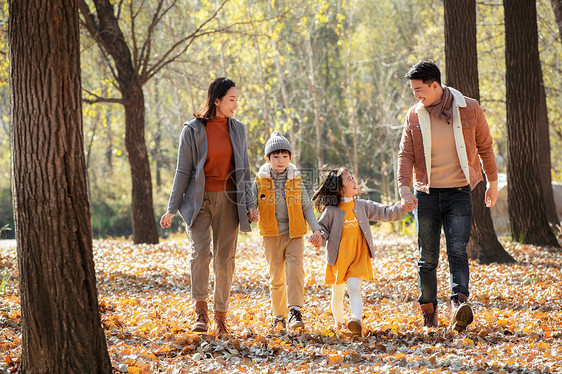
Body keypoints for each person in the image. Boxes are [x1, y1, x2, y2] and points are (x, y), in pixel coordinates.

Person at [397, 61, 498, 332]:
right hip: (426, 195)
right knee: (427, 257)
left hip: (459, 192)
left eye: (419, 89)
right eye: (413, 90)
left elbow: (485, 146)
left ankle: (459, 303)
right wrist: (404, 189)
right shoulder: (415, 115)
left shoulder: (469, 108)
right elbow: (405, 154)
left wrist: (493, 182)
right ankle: (429, 312)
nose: (416, 95)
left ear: (434, 85)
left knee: (457, 249)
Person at [160, 77, 258, 336]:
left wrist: (249, 204)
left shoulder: (238, 129)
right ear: (217, 100)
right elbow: (182, 170)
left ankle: (221, 317)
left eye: (237, 99)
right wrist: (172, 208)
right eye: (232, 99)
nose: (236, 104)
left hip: (229, 201)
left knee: (225, 261)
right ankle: (200, 313)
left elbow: (244, 170)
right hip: (198, 201)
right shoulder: (192, 130)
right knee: (201, 255)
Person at [311, 167, 409, 336]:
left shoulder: (362, 206)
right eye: (349, 179)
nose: (354, 181)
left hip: (358, 255)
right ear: (340, 189)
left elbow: (384, 212)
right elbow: (322, 229)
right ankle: (339, 322)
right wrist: (318, 236)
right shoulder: (331, 211)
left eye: (352, 177)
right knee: (338, 293)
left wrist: (402, 207)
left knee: (354, 288)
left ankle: (355, 320)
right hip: (338, 258)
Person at [252, 131, 323, 330]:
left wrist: (315, 230)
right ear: (268, 159)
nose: (281, 161)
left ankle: (294, 311)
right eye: (276, 157)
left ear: (290, 157)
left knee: (295, 272)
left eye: (285, 156)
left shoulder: (296, 179)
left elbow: (307, 206)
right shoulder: (260, 179)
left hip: (295, 234)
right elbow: (250, 201)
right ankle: (278, 315)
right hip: (271, 234)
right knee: (276, 276)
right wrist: (250, 213)